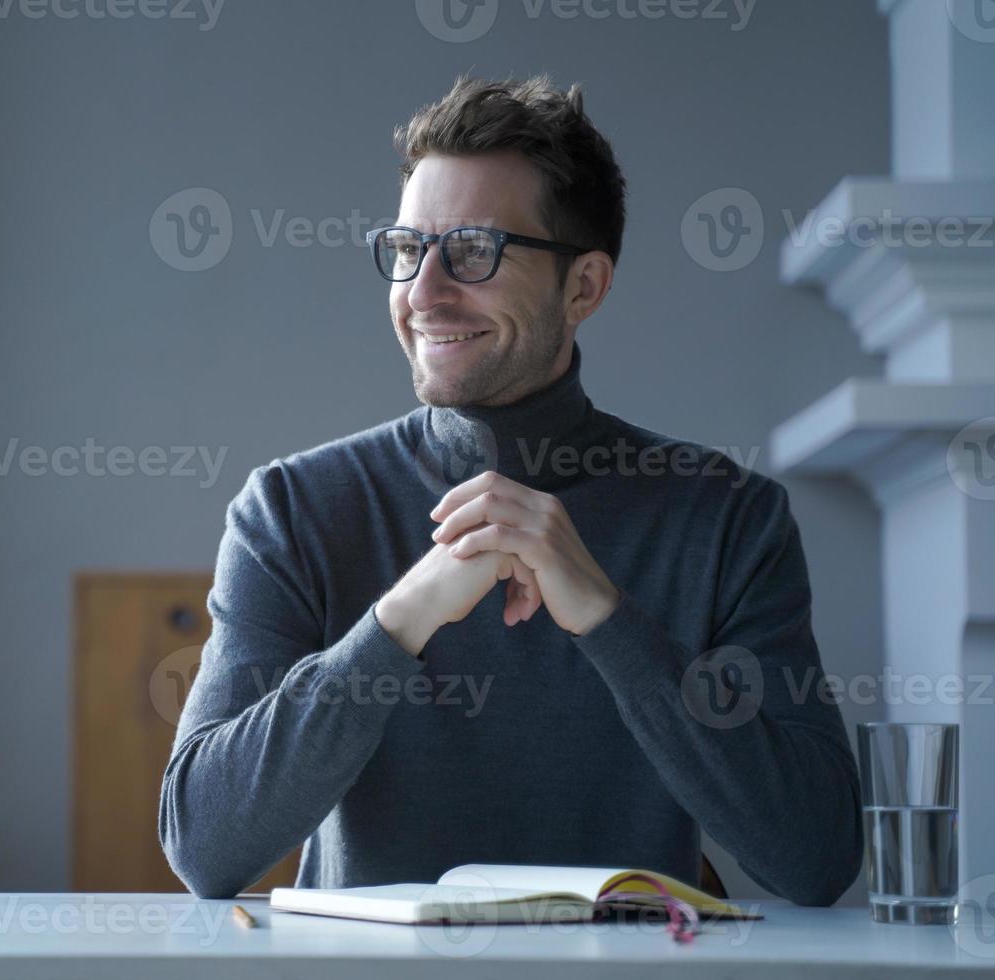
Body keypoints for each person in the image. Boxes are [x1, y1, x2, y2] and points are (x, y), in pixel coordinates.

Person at [158, 74, 862, 906]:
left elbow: (815, 858)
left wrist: (607, 618)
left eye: (473, 253)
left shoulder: (728, 519)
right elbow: (203, 845)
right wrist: (399, 619)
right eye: (409, 250)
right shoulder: (292, 511)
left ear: (585, 287)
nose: (423, 293)